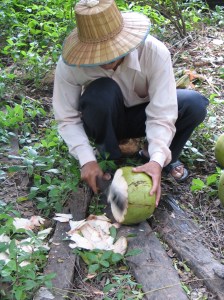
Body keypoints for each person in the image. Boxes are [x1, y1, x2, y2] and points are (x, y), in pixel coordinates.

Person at [53, 0, 209, 207]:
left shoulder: (154, 52)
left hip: (140, 116)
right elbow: (67, 116)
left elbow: (163, 111)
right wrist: (86, 158)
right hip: (105, 118)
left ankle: (157, 157)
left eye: (110, 51)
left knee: (194, 103)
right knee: (100, 93)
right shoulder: (70, 65)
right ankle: (109, 157)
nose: (106, 59)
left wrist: (157, 157)